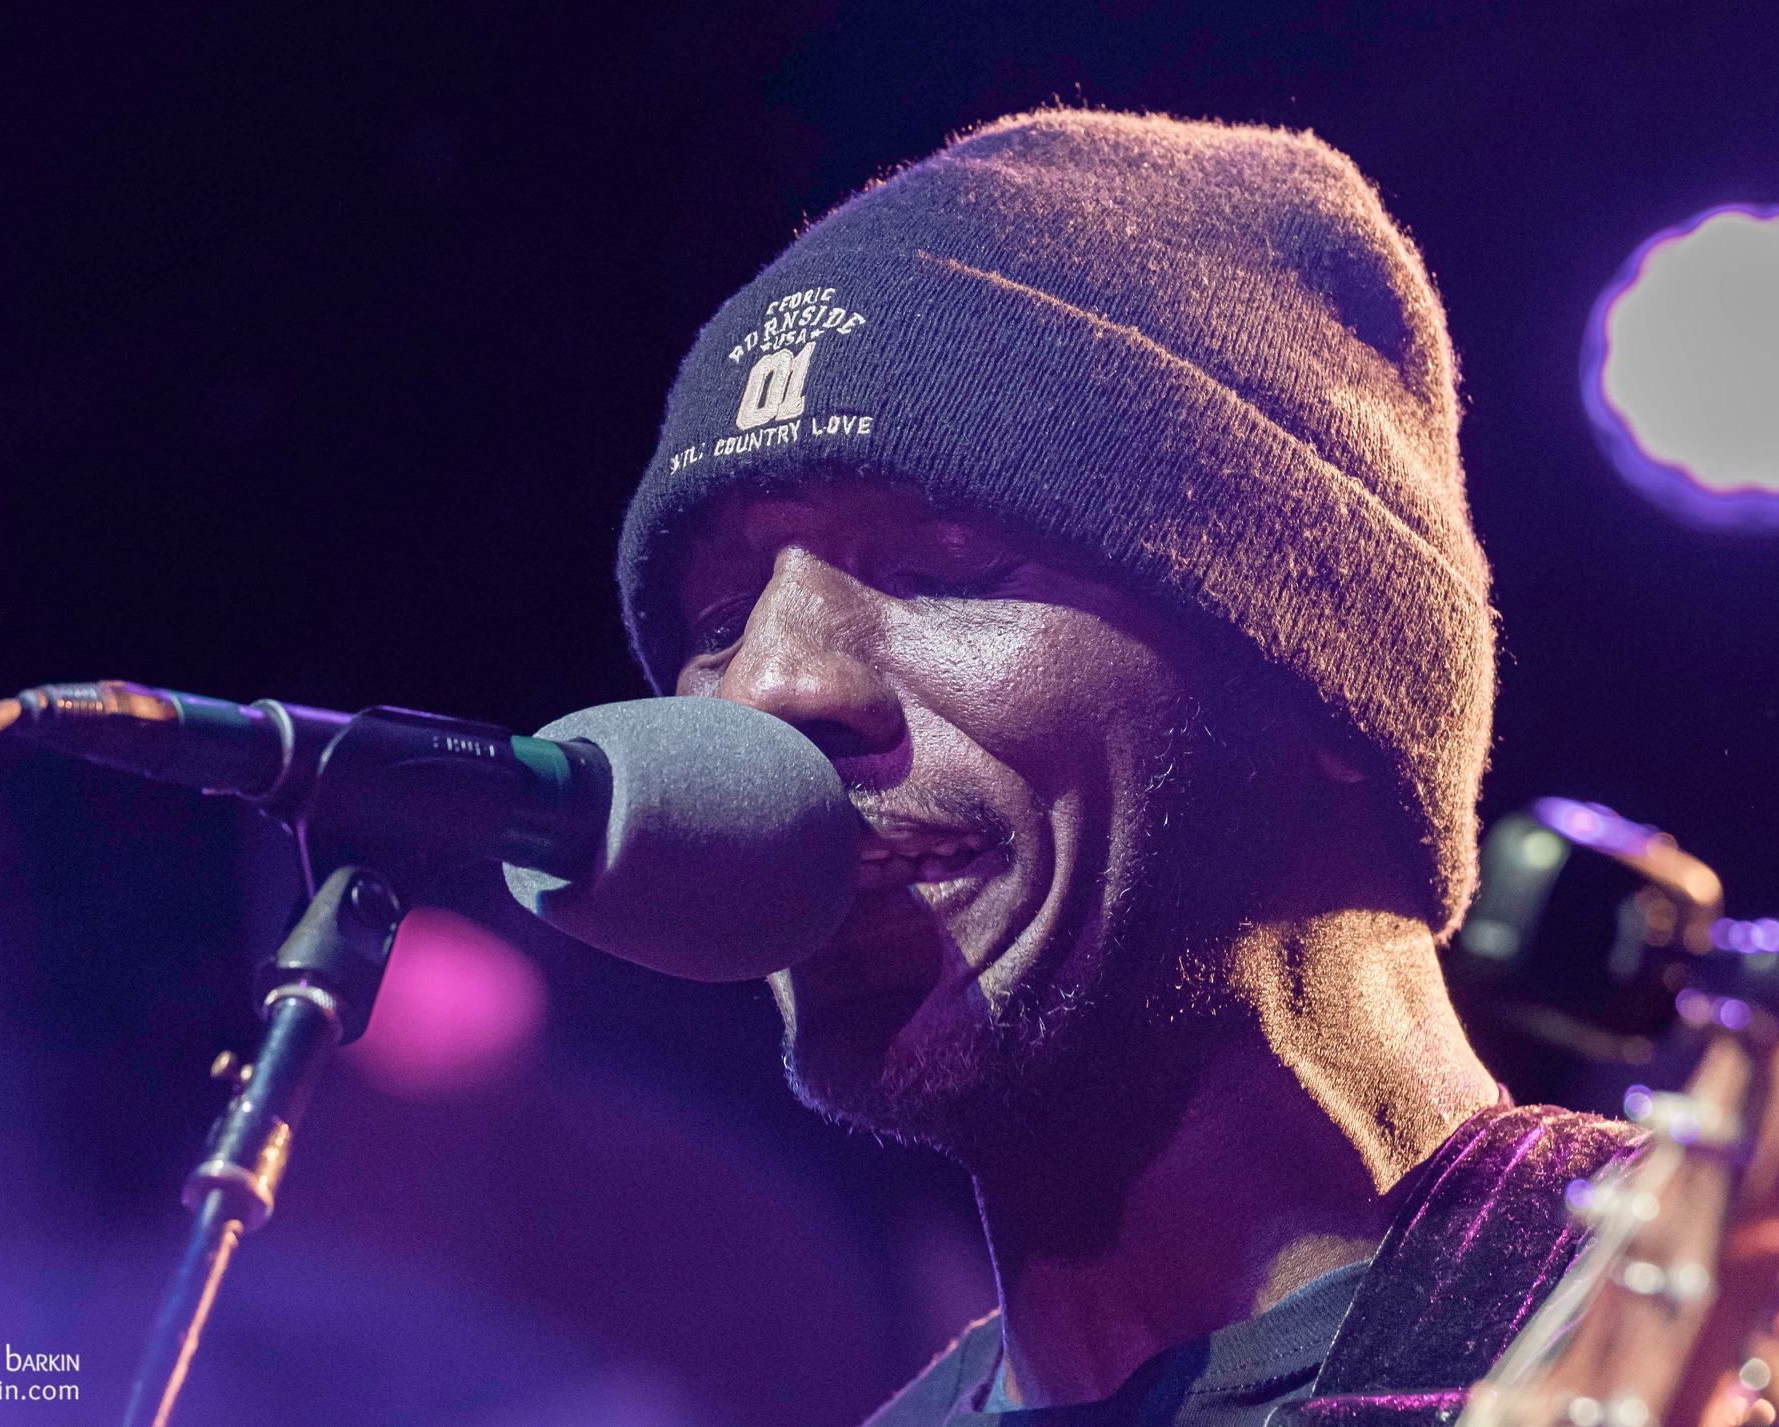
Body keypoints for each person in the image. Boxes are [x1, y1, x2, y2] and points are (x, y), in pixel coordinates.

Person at [612, 110, 1638, 1425]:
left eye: (945, 568)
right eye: (718, 622)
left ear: (1317, 649)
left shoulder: (1716, 1320)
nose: (766, 688)